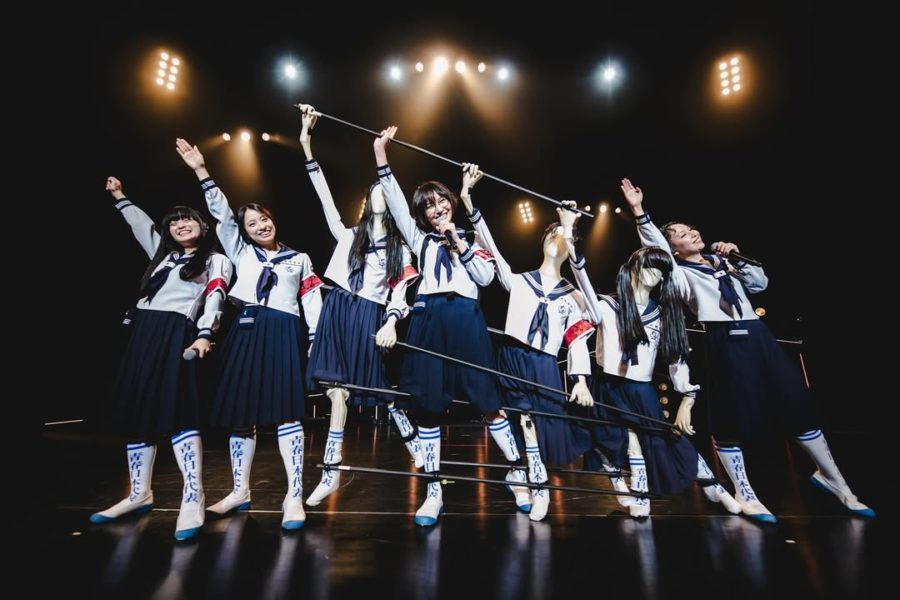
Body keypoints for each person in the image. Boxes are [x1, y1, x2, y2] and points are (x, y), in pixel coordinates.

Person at [624, 178, 874, 520]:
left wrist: (738, 259)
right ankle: (744, 491)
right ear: (675, 249)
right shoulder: (679, 273)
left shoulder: (723, 262)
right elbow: (658, 248)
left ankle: (836, 482)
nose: (692, 233)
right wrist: (639, 211)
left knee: (797, 405)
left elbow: (760, 284)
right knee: (731, 417)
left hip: (759, 335)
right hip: (724, 340)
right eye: (681, 234)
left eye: (691, 229)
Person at [374, 126, 531, 526]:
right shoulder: (420, 240)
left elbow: (485, 279)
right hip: (428, 319)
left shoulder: (474, 238)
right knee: (428, 407)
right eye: (429, 206)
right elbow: (394, 200)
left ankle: (518, 473)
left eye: (441, 200)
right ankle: (432, 490)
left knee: (488, 401)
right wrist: (381, 155)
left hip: (466, 319)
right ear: (423, 214)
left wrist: (459, 245)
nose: (437, 208)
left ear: (452, 202)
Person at [176, 138, 324, 530]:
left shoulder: (299, 258)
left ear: (274, 220)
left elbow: (312, 303)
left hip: (283, 332)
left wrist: (316, 340)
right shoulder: (241, 252)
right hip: (245, 331)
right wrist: (202, 171)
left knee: (287, 414)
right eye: (252, 224)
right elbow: (221, 215)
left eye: (264, 219)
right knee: (241, 415)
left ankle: (294, 495)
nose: (260, 226)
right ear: (244, 231)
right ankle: (240, 490)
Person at [90, 176, 232, 541]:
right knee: (138, 413)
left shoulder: (215, 260)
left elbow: (215, 296)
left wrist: (205, 333)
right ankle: (139, 494)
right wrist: (120, 196)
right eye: (173, 222)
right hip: (143, 333)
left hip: (177, 332)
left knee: (179, 412)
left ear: (203, 225)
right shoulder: (162, 256)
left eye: (187, 219)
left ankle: (193, 497)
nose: (180, 224)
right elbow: (141, 224)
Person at [297, 105, 424, 507]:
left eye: (385, 190)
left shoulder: (400, 249)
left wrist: (391, 321)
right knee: (337, 392)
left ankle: (414, 441)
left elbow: (400, 293)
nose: (379, 194)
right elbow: (323, 198)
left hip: (369, 314)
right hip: (336, 309)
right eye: (375, 190)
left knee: (378, 388)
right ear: (367, 200)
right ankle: (331, 471)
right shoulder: (348, 236)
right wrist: (306, 144)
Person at [460, 173, 594, 521]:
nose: (557, 237)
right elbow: (490, 244)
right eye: (552, 232)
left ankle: (522, 474)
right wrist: (468, 199)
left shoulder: (576, 296)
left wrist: (580, 379)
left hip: (545, 364)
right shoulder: (520, 281)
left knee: (545, 425)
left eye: (564, 236)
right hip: (512, 356)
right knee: (523, 419)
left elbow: (577, 340)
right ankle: (539, 484)